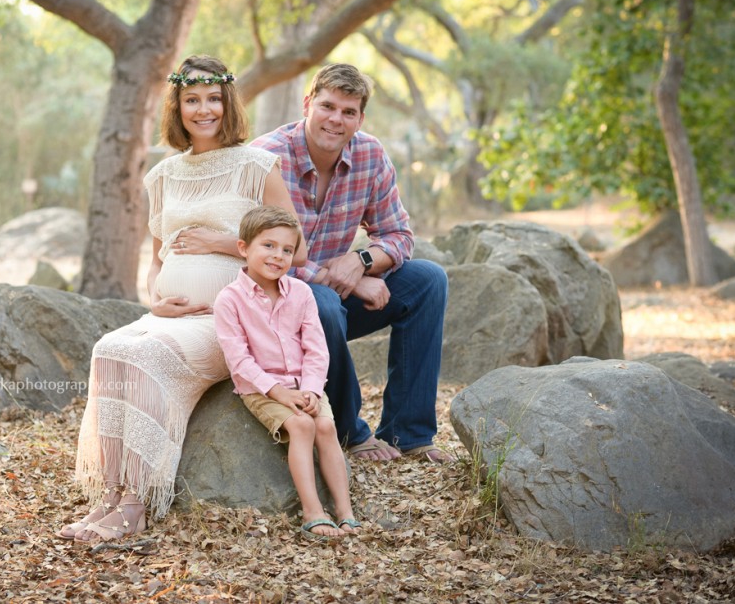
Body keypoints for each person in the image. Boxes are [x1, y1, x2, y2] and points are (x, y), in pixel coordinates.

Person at [59, 55, 305, 543]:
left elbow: (296, 251)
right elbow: (157, 259)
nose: (203, 109)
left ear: (227, 102)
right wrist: (156, 298)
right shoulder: (164, 175)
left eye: (213, 98)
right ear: (178, 107)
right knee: (109, 348)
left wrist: (220, 243)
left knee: (149, 356)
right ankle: (110, 492)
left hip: (230, 318)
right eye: (192, 100)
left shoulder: (258, 167)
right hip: (171, 315)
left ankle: (138, 501)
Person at [250, 63, 450, 464]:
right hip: (276, 306)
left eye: (348, 112)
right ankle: (348, 431)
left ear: (360, 118)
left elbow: (399, 235)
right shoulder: (266, 158)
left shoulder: (370, 155)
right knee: (320, 301)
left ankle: (408, 432)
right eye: (327, 106)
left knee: (428, 280)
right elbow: (260, 256)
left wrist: (360, 260)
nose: (335, 119)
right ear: (308, 104)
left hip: (335, 303)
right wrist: (347, 281)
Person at [214, 205, 360, 541]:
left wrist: (311, 389)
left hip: (303, 385)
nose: (278, 255)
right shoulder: (230, 300)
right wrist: (279, 393)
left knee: (324, 424)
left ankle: (345, 511)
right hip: (261, 387)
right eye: (268, 245)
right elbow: (239, 361)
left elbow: (316, 349)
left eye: (287, 250)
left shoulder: (302, 293)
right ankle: (313, 511)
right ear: (243, 248)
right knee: (301, 425)